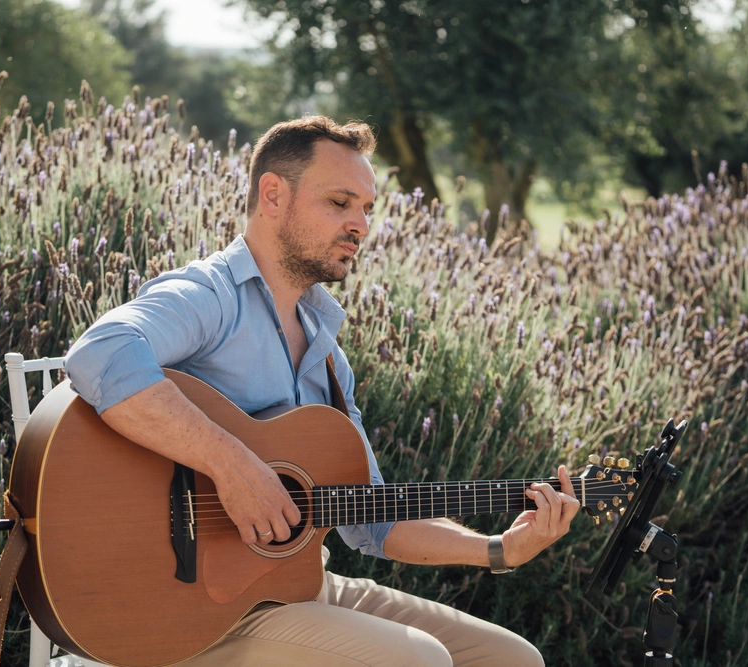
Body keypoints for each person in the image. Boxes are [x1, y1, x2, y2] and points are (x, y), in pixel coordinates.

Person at [64, 115, 581, 667]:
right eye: (340, 202)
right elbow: (102, 351)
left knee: (511, 660)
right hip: (188, 609)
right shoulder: (211, 296)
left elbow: (372, 518)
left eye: (367, 209)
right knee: (418, 661)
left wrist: (499, 549)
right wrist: (232, 466)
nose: (360, 224)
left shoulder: (326, 356)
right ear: (273, 195)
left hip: (293, 587)